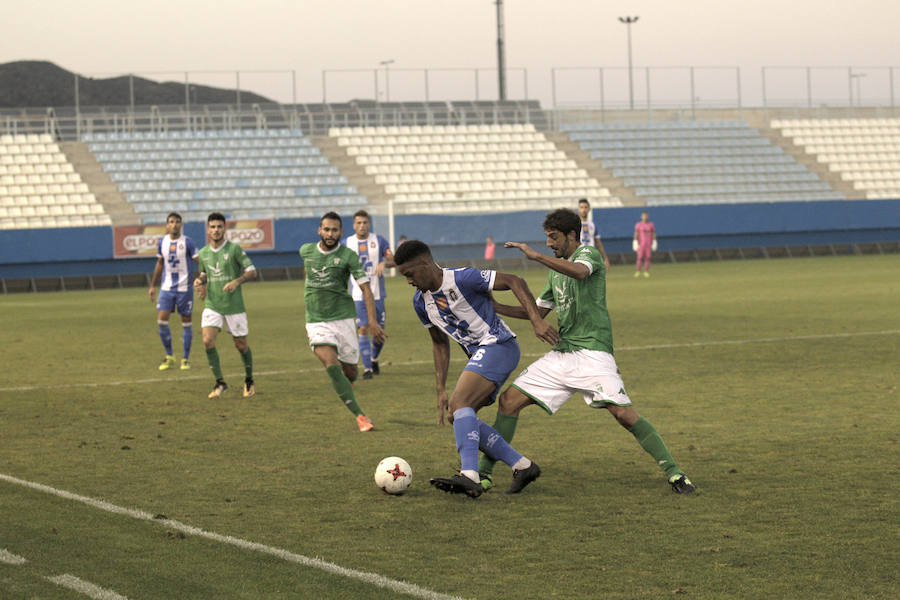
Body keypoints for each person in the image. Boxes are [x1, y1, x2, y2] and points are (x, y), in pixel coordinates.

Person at [478, 208, 695, 494]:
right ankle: (482, 476)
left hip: (593, 352)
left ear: (571, 235)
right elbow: (538, 311)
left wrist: (536, 257)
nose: (548, 244)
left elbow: (580, 273)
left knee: (624, 415)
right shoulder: (556, 273)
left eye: (553, 238)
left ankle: (675, 473)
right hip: (563, 353)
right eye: (546, 239)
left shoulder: (587, 255)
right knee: (508, 402)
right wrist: (495, 306)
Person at [393, 239, 560, 497]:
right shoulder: (420, 303)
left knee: (460, 406)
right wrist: (440, 388)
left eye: (409, 274)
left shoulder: (463, 278)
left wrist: (536, 320)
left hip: (499, 345)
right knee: (458, 416)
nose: (408, 281)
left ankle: (469, 475)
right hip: (482, 355)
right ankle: (522, 465)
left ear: (425, 264)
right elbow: (439, 344)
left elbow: (514, 281)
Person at [300, 212, 384, 432]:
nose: (330, 234)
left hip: (344, 319)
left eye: (334, 230)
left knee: (349, 372)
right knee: (331, 364)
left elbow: (366, 288)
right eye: (326, 229)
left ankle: (349, 382)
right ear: (319, 230)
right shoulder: (306, 251)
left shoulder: (348, 256)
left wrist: (372, 322)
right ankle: (360, 416)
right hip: (316, 321)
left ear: (341, 232)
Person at [193, 212, 257, 399]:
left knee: (241, 345)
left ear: (224, 228)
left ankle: (249, 380)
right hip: (213, 304)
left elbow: (252, 271)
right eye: (212, 227)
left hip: (234, 305)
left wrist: (237, 281)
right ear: (208, 229)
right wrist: (200, 282)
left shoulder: (235, 249)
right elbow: (204, 274)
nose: (216, 230)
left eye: (219, 226)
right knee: (207, 341)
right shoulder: (203, 253)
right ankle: (220, 382)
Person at [344, 210, 394, 380]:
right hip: (358, 295)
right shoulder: (347, 243)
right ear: (354, 225)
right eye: (358, 223)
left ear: (369, 224)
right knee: (363, 328)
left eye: (365, 222)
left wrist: (384, 262)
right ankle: (367, 369)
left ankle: (373, 359)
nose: (362, 226)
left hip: (377, 294)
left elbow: (394, 259)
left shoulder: (379, 241)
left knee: (379, 332)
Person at [148, 212, 199, 371]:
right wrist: (152, 286)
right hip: (166, 288)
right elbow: (160, 264)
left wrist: (202, 280)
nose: (174, 224)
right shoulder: (162, 242)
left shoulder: (188, 243)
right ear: (167, 225)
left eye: (177, 221)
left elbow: (200, 262)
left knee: (186, 323)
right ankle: (170, 356)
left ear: (181, 225)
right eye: (171, 221)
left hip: (185, 289)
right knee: (162, 321)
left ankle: (185, 358)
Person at [577, 198, 611, 271]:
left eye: (586, 207)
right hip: (579, 256)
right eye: (581, 207)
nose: (584, 210)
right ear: (578, 209)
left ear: (589, 209)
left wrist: (605, 258)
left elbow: (598, 243)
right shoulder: (575, 224)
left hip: (591, 256)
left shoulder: (592, 225)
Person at [633, 211, 658, 278]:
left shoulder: (651, 224)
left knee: (648, 258)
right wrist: (635, 242)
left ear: (648, 216)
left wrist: (654, 241)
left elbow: (653, 233)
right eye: (643, 216)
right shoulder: (638, 224)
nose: (645, 217)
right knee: (639, 258)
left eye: (646, 216)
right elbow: (636, 233)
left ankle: (646, 271)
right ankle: (638, 271)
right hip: (641, 245)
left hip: (648, 244)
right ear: (641, 217)